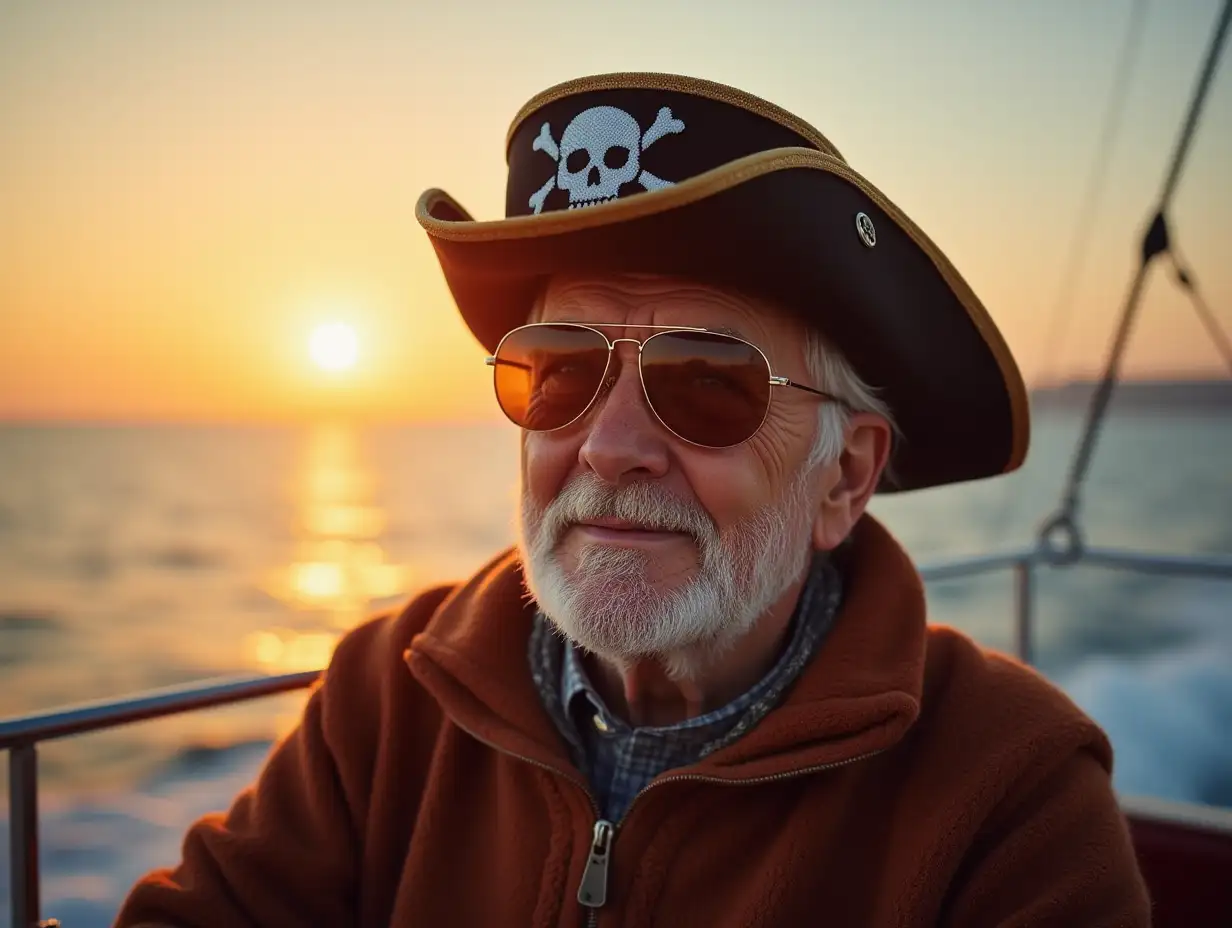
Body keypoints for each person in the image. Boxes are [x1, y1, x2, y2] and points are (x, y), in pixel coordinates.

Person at [114, 72, 1151, 927]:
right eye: (555, 374)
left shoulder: (1011, 792)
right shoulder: (385, 695)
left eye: (706, 383)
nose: (608, 448)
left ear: (844, 476)